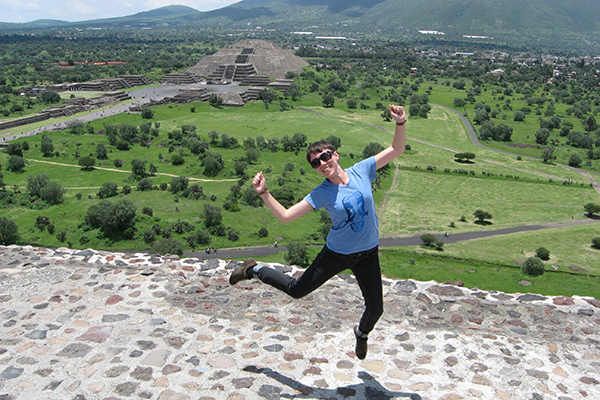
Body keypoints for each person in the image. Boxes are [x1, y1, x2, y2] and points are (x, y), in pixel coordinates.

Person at [230, 104, 407, 360]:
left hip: (368, 253)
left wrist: (400, 123)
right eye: (316, 162)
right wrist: (264, 193)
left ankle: (361, 333)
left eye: (325, 156)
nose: (322, 163)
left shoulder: (361, 170)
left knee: (375, 309)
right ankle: (253, 270)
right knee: (296, 290)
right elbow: (286, 216)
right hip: (337, 254)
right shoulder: (321, 193)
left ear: (336, 155)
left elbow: (396, 149)